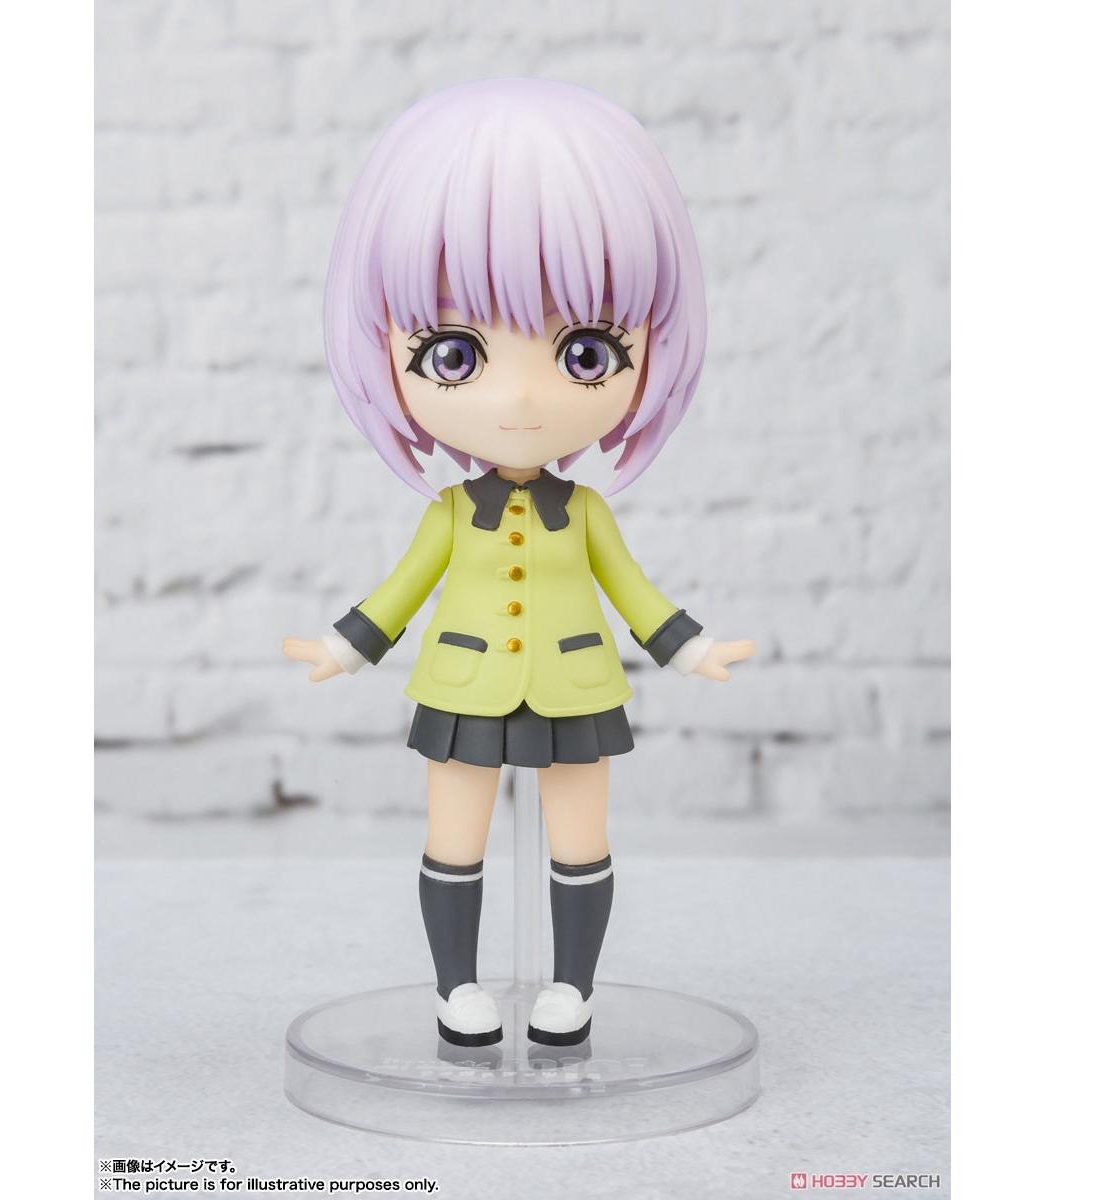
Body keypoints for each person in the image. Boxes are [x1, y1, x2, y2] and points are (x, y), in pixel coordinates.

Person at [283, 79, 754, 1048]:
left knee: (581, 843)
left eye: (586, 352)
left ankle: (571, 989)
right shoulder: (451, 514)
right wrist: (346, 645)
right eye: (455, 353)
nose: (523, 399)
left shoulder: (584, 512)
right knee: (453, 841)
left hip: (577, 688)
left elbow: (634, 591)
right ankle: (456, 988)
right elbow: (401, 590)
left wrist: (689, 647)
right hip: (463, 687)